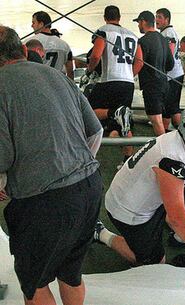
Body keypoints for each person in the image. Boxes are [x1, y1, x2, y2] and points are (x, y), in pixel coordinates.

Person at [0, 26, 103, 305]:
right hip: (90, 186)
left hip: (45, 201)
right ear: (23, 50)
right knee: (71, 273)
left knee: (34, 285)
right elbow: (95, 131)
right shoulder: (58, 75)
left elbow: (3, 157)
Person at [94, 101, 185, 266]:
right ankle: (102, 234)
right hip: (127, 212)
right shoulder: (171, 157)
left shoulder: (182, 140)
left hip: (139, 196)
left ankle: (180, 232)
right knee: (155, 262)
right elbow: (176, 215)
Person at [87, 5, 140, 165]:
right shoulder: (132, 35)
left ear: (105, 17)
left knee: (89, 111)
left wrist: (90, 70)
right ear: (119, 17)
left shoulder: (103, 31)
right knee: (125, 122)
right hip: (127, 82)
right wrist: (130, 75)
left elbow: (96, 55)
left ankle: (113, 113)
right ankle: (127, 160)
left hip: (109, 79)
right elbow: (140, 61)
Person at [132, 10, 174, 136]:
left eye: (139, 22)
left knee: (156, 121)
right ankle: (166, 149)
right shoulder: (163, 39)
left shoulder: (143, 41)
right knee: (163, 120)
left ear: (143, 21)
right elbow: (170, 64)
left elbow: (139, 63)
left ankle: (164, 154)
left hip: (151, 86)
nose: (138, 25)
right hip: (165, 85)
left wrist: (129, 77)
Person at [155, 8, 185, 131]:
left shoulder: (168, 33)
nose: (156, 19)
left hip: (172, 76)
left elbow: (169, 55)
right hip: (173, 75)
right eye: (156, 16)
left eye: (160, 17)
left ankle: (180, 137)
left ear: (167, 19)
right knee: (172, 108)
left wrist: (161, 71)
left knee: (170, 109)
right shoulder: (166, 32)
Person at [30, 11, 74, 79]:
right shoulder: (65, 46)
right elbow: (70, 72)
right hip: (57, 84)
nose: (31, 25)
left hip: (38, 83)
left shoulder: (29, 43)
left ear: (41, 24)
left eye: (33, 23)